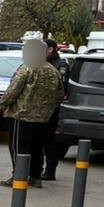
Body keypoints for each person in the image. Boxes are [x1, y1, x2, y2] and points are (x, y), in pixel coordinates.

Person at [0, 38, 63, 188]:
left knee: (19, 148)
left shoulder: (27, 68)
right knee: (37, 148)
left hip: (22, 115)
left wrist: (1, 106)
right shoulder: (54, 71)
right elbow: (59, 95)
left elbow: (13, 90)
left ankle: (18, 176)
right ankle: (35, 177)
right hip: (43, 118)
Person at [40, 38, 70, 181]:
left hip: (51, 110)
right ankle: (36, 170)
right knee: (38, 141)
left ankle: (50, 170)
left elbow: (60, 90)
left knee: (49, 141)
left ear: (50, 50)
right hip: (37, 109)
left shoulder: (60, 65)